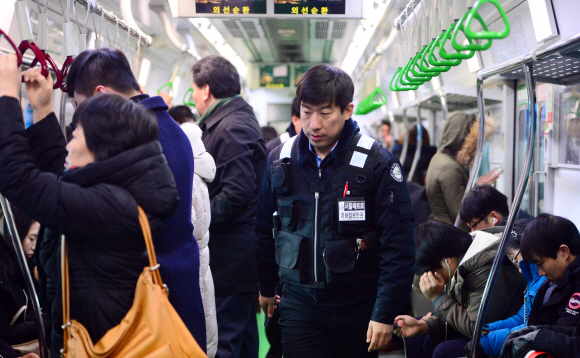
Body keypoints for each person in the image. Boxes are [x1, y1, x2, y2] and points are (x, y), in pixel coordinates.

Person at [0, 55, 180, 356]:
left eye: (77, 134)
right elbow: (62, 180)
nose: (69, 144)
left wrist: (7, 95)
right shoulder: (121, 190)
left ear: (101, 147)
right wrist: (43, 109)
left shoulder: (111, 206)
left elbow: (18, 178)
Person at [255, 64, 415, 357]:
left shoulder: (377, 164)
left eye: (325, 113)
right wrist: (266, 287)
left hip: (357, 304)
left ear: (348, 110)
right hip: (299, 301)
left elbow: (399, 245)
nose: (314, 124)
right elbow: (265, 228)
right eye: (306, 112)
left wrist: (384, 313)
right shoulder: (281, 160)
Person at [65, 47, 206, 351]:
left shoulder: (131, 140)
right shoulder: (174, 129)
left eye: (82, 109)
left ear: (101, 95)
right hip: (180, 281)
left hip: (146, 298)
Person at [191, 55, 266, 358]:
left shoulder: (231, 127)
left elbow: (236, 194)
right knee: (243, 336)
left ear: (206, 89)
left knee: (224, 341)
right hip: (239, 257)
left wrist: (195, 217)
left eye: (194, 90)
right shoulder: (234, 120)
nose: (194, 98)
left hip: (231, 259)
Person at [395, 221, 526, 358]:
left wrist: (438, 298)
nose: (431, 277)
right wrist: (422, 326)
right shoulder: (464, 259)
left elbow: (477, 329)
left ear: (447, 260)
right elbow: (460, 311)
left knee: (443, 351)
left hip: (502, 333)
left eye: (431, 271)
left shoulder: (485, 267)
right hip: (484, 327)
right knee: (420, 336)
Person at [500, 214, 580, 358]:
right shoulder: (552, 286)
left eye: (540, 263)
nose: (541, 273)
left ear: (564, 252)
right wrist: (535, 332)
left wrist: (541, 337)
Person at [462, 219, 546, 357]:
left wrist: (487, 341)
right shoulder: (534, 283)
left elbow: (530, 325)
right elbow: (521, 318)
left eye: (514, 259)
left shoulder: (543, 283)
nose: (518, 269)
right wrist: (487, 329)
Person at [178, 120, 219, 358]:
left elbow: (186, 225)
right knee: (206, 323)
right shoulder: (200, 175)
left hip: (192, 263)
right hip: (203, 260)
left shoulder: (186, 178)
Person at [425, 112, 501, 226]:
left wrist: (476, 186)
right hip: (450, 233)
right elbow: (460, 214)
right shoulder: (449, 168)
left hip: (441, 227)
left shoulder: (439, 157)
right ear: (463, 136)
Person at [460, 185, 534, 231]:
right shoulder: (524, 225)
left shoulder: (506, 246)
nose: (472, 231)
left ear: (494, 217)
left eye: (474, 226)